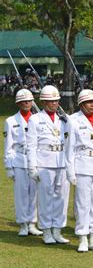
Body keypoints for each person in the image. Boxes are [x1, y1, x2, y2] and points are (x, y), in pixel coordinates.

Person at [26, 85, 71, 245]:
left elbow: (69, 141)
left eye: (56, 100)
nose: (54, 103)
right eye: (51, 101)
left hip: (61, 161)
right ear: (44, 102)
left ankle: (57, 229)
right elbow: (31, 145)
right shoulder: (35, 119)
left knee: (62, 197)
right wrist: (33, 167)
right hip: (44, 162)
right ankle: (46, 230)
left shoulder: (64, 118)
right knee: (46, 198)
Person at [65, 90, 93, 252]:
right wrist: (70, 171)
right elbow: (69, 149)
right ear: (81, 104)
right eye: (89, 102)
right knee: (83, 204)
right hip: (82, 165)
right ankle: (83, 237)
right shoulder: (73, 120)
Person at [3, 89, 42, 237]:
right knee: (21, 194)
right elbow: (8, 146)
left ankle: (32, 223)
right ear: (18, 103)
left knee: (34, 193)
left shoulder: (38, 119)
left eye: (29, 101)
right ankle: (23, 224)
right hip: (19, 160)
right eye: (23, 101)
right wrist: (9, 166)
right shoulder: (11, 121)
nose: (27, 103)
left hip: (35, 159)